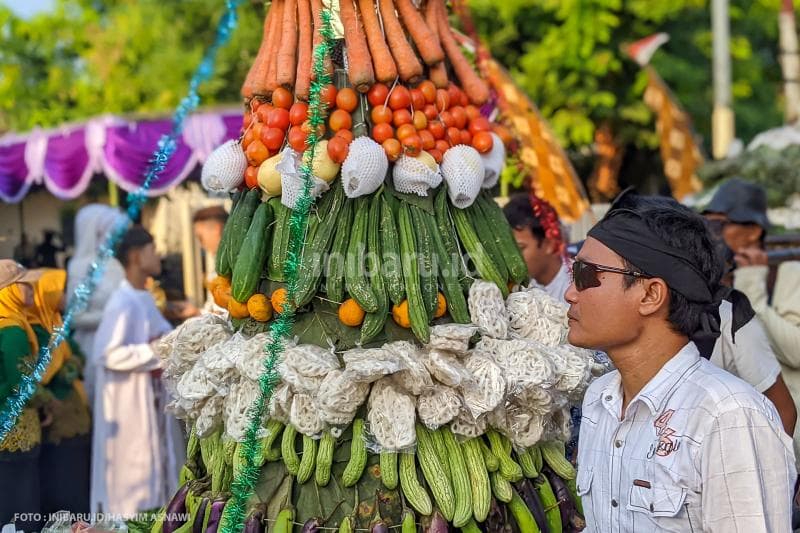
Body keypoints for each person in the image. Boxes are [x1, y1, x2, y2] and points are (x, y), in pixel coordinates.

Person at [569, 195, 795, 531]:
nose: (570, 292)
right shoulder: (599, 400)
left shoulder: (727, 417)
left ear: (650, 295)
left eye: (585, 274)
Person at [90, 226, 184, 515]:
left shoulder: (142, 297)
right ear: (135, 256)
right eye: (151, 249)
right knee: (135, 485)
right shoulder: (122, 302)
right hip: (130, 408)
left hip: (152, 402)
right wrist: (154, 351)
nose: (157, 256)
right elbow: (106, 353)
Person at [704, 179, 800, 452]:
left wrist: (750, 286)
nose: (712, 233)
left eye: (720, 224)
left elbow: (795, 351)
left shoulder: (790, 272)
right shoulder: (717, 274)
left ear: (754, 231)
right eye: (707, 224)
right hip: (736, 432)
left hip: (787, 437)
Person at [24, 269, 91, 515]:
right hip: (57, 421)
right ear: (47, 294)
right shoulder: (36, 331)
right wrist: (67, 369)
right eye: (59, 290)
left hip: (74, 415)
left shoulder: (56, 324)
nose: (65, 295)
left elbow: (78, 355)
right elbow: (43, 375)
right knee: (64, 491)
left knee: (77, 486)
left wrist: (71, 365)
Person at [0, 261, 46, 530]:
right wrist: (48, 403)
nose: (31, 289)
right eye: (24, 285)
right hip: (16, 433)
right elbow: (22, 384)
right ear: (9, 291)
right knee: (22, 507)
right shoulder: (13, 332)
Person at [67, 204, 127, 403]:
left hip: (123, 341)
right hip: (93, 347)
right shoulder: (79, 268)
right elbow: (74, 316)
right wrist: (112, 316)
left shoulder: (116, 264)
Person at [503, 193, 570, 301]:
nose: (511, 258)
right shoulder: (517, 288)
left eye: (520, 248)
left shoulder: (578, 287)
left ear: (549, 244)